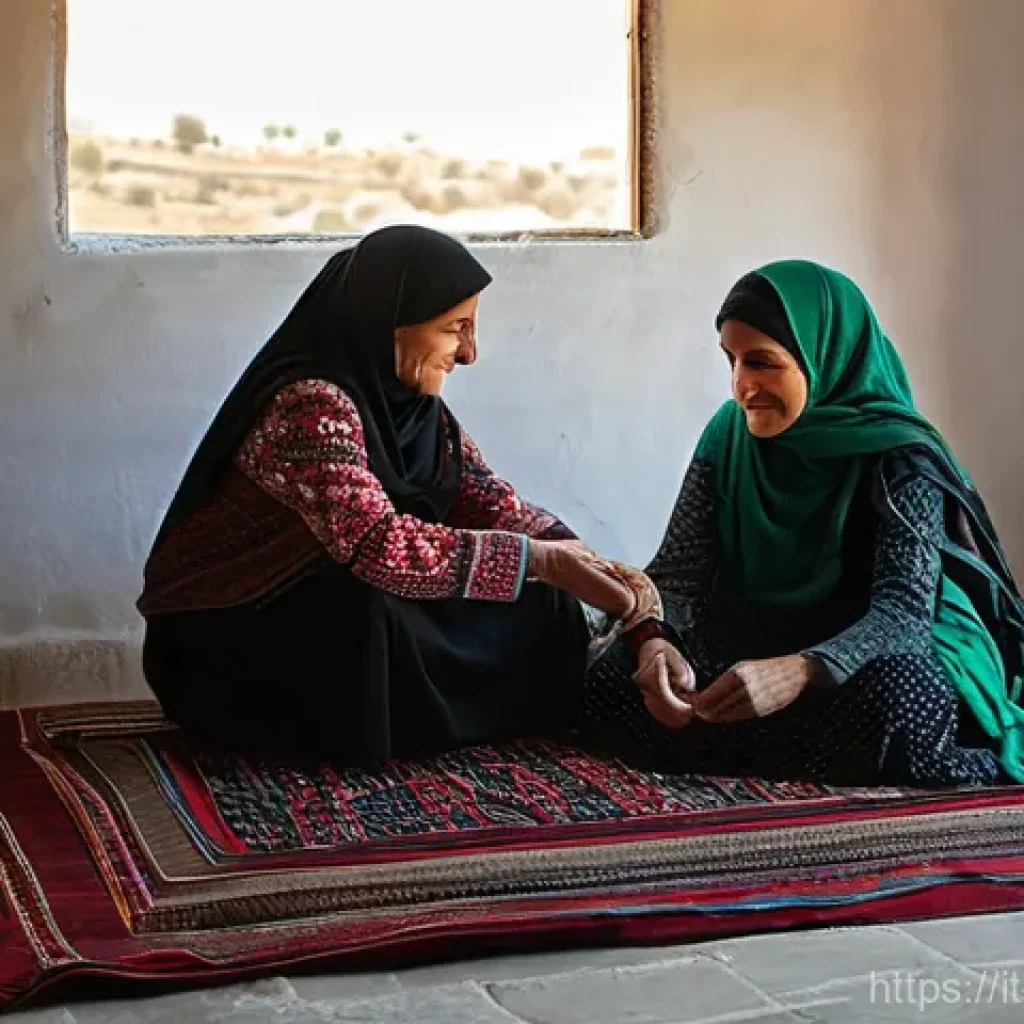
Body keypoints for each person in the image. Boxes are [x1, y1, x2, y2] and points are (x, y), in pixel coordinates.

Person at [139, 225, 637, 763]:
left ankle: (446, 715)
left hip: (325, 601)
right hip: (226, 636)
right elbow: (380, 547)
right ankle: (422, 719)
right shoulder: (310, 406)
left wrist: (584, 562)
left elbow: (492, 502)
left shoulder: (417, 410)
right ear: (390, 323)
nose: (469, 352)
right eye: (455, 328)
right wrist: (540, 560)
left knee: (540, 596)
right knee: (368, 608)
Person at [585, 260, 1024, 786]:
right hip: (753, 641)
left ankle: (724, 750)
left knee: (905, 698)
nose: (742, 388)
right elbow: (678, 575)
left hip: (861, 655)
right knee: (610, 677)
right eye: (733, 362)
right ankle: (807, 756)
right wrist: (656, 641)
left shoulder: (899, 455)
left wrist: (801, 670)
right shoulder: (728, 435)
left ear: (825, 357)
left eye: (763, 363)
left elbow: (902, 613)